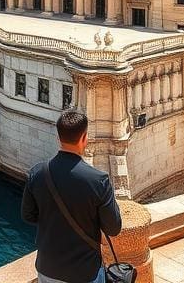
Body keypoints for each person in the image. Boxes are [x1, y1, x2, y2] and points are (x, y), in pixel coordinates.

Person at [22, 111, 123, 283]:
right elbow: (114, 228)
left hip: (48, 268)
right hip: (84, 272)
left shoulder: (36, 173)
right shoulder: (99, 180)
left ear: (58, 138)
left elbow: (28, 215)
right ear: (84, 138)